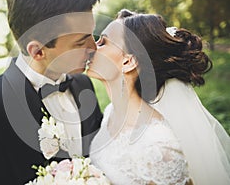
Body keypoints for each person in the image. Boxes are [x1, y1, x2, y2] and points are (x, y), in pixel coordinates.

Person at [0, 0, 103, 184]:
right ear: (38, 51)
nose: (94, 47)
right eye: (80, 42)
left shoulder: (83, 85)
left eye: (92, 34)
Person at [88, 9, 230, 185]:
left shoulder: (158, 147)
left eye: (103, 42)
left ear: (128, 61)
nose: (92, 46)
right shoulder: (111, 113)